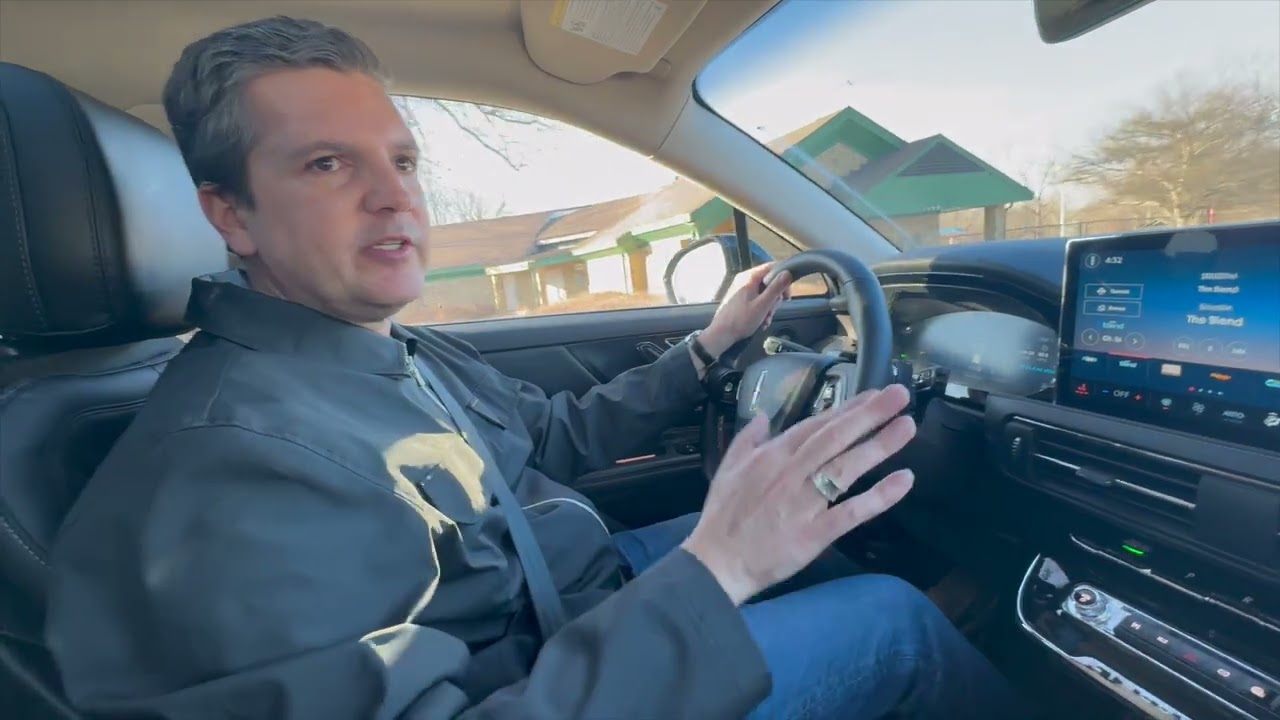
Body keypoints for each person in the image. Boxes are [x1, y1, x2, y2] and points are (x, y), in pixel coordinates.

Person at [44, 15, 1024, 720]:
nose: (395, 198)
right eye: (326, 165)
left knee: (815, 539)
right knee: (889, 621)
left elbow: (551, 435)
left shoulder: (381, 351)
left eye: (402, 160)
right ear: (230, 215)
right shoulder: (230, 474)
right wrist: (717, 570)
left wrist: (709, 347)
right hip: (534, 670)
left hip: (557, 600)